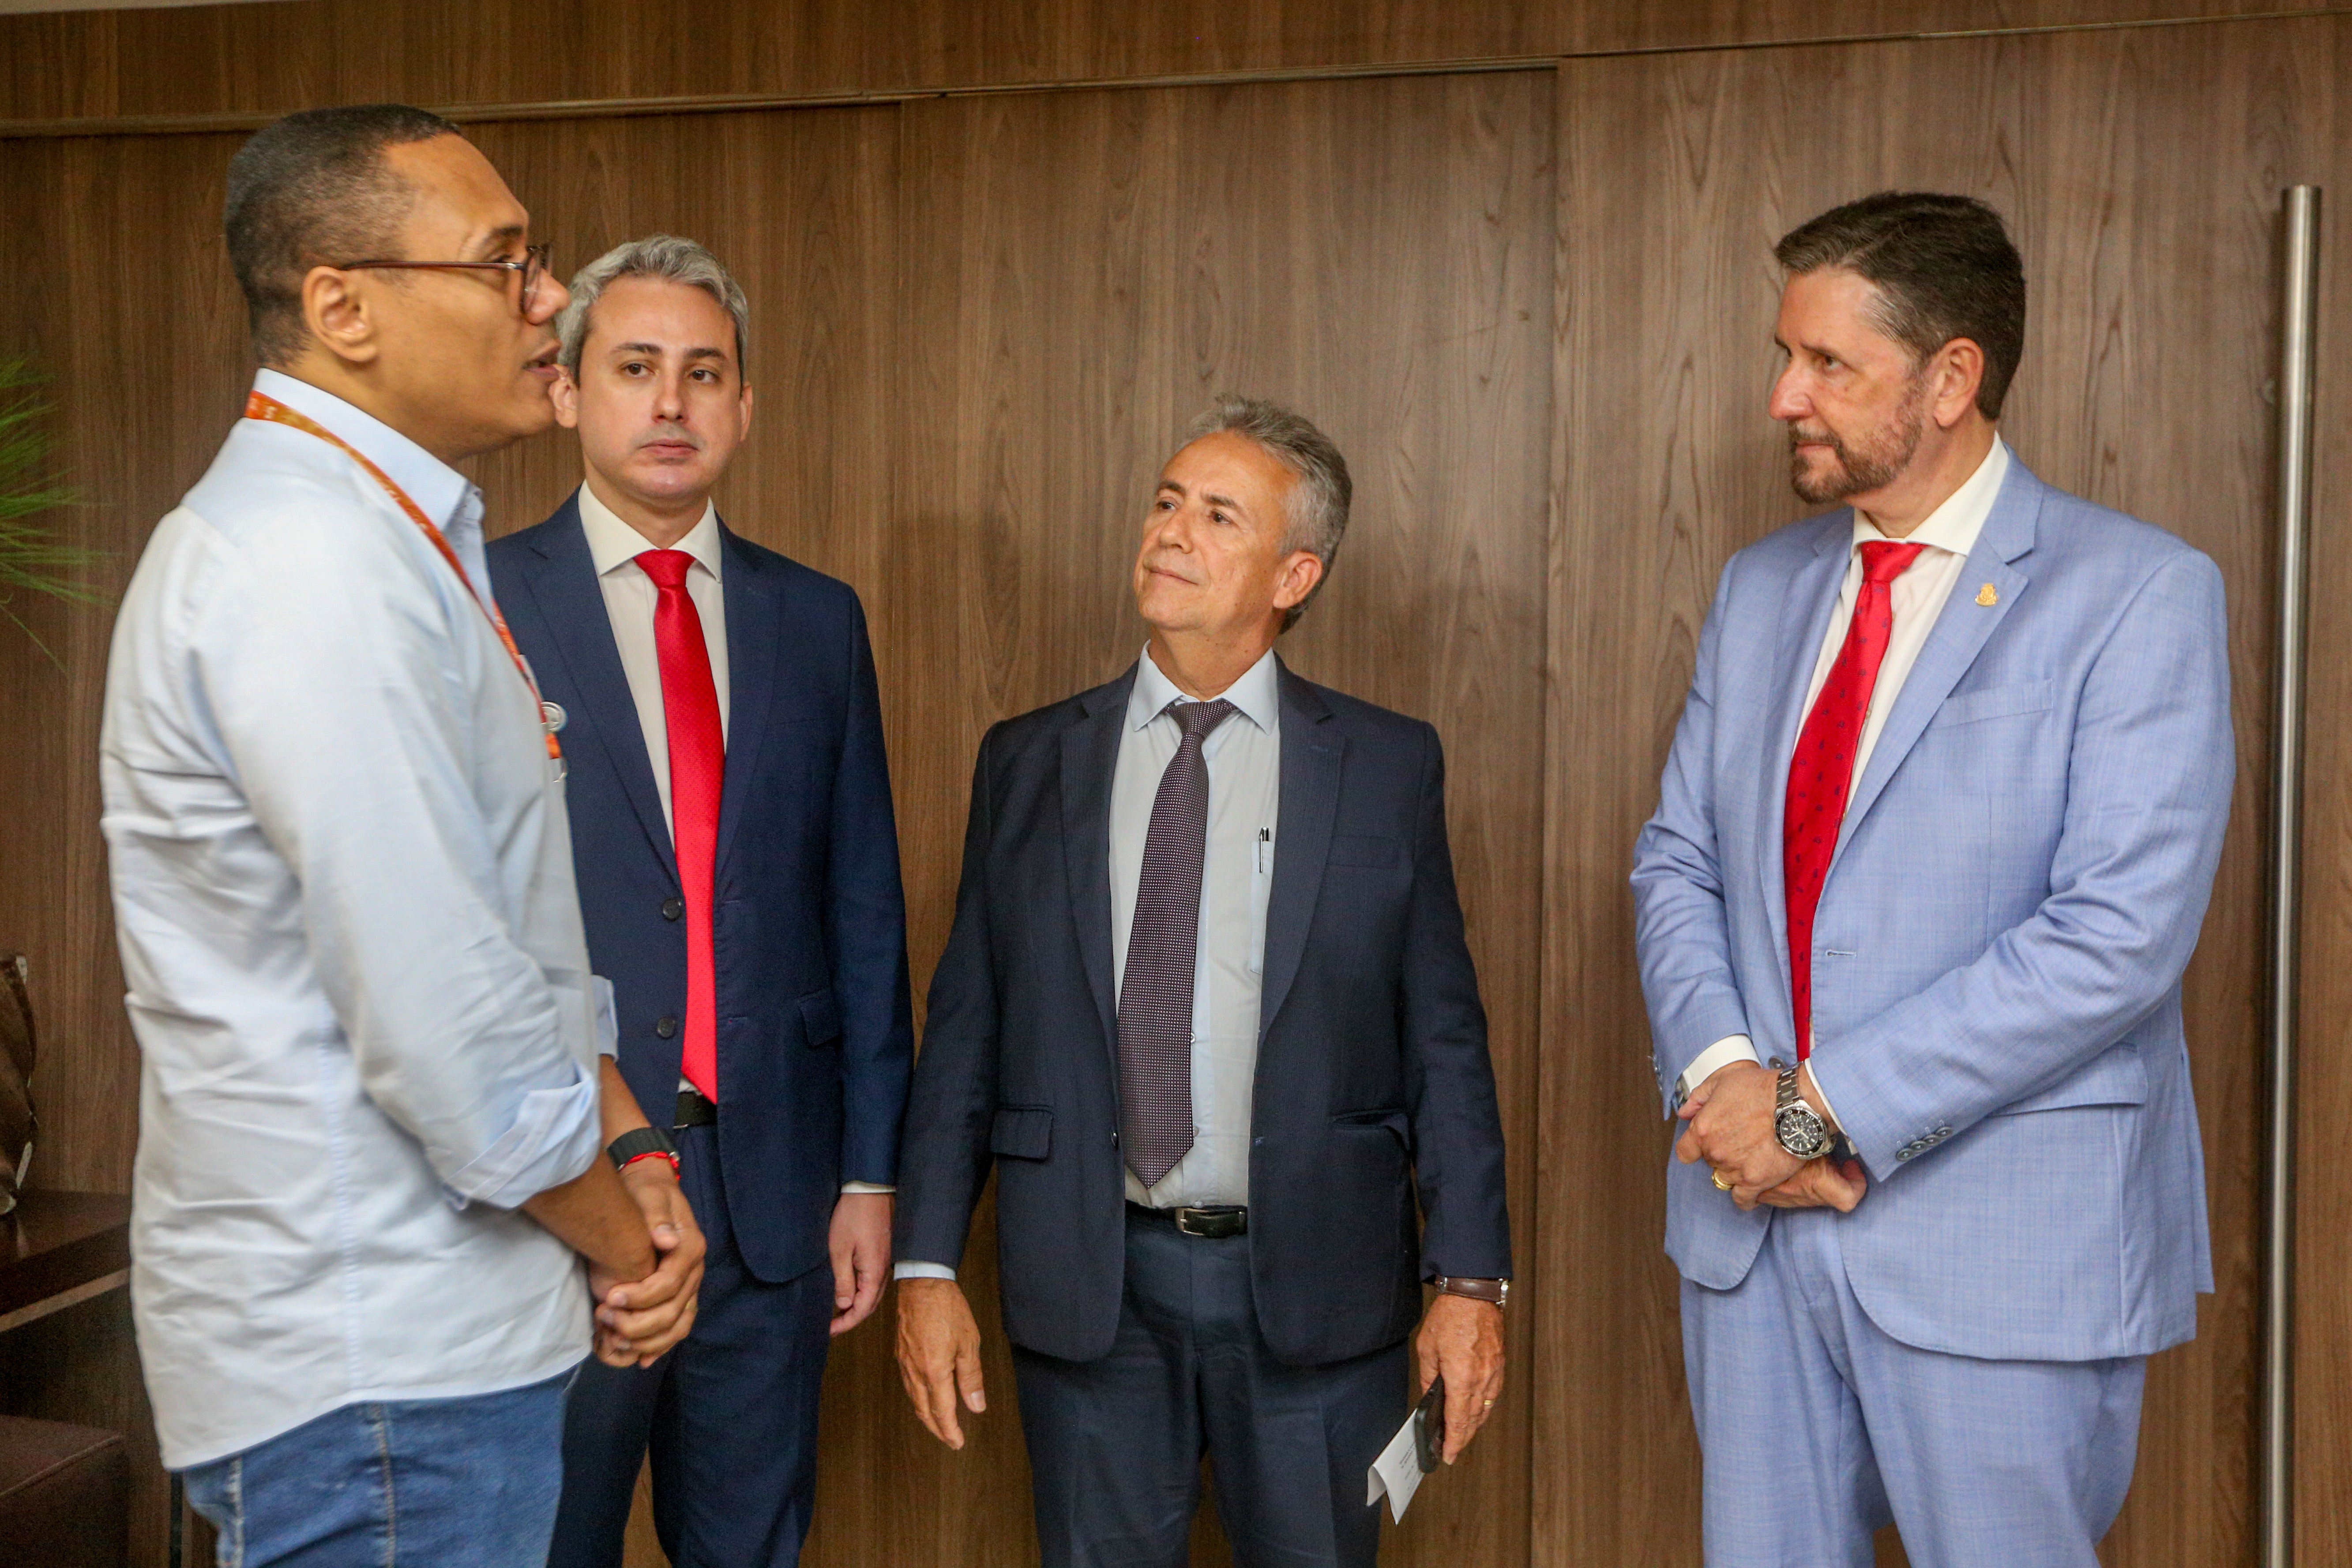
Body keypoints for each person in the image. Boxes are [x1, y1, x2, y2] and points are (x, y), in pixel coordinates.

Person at [99, 105, 704, 1568]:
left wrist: (630, 1141)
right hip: (378, 1372)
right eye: (505, 262)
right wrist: (630, 1247)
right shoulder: (308, 564)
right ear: (343, 309)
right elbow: (451, 1032)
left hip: (429, 1357)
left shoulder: (389, 539)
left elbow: (499, 938)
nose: (548, 301)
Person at [1633, 192, 2232, 1565]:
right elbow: (1676, 860)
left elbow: (2115, 933)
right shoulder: (1758, 588)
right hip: (1749, 1229)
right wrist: (1727, 1083)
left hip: (1997, 1243)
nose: (1783, 396)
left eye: (1826, 364)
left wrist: (1816, 1110)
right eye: (1784, 355)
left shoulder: (2136, 592)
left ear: (1950, 378)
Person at [892, 396, 1511, 1568]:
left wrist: (1470, 1280)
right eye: (1166, 501)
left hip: (1319, 1285)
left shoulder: (1385, 765)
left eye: (1218, 515)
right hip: (1093, 1284)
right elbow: (966, 1029)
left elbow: (1444, 1042)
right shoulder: (1028, 760)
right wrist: (925, 1264)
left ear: (1293, 574)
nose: (1170, 531)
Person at [488, 235, 912, 1568]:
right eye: (635, 368)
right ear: (568, 391)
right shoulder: (479, 601)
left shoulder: (818, 620)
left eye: (704, 373)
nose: (670, 402)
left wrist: (869, 1172)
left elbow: (862, 911)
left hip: (773, 1194)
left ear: (744, 405)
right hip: (566, 1188)